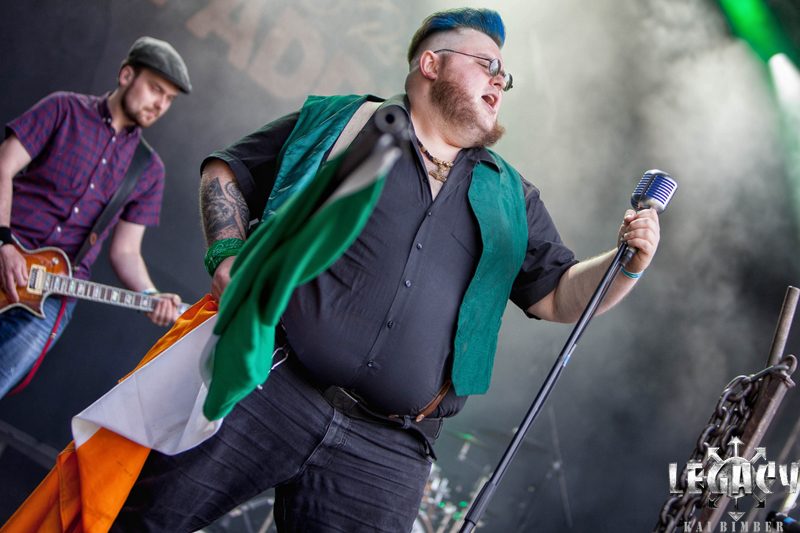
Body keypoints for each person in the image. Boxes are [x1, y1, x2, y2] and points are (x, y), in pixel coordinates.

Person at [112, 8, 660, 532]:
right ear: (431, 64)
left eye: (506, 76)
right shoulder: (347, 122)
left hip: (388, 450)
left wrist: (626, 264)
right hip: (269, 382)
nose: (500, 81)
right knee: (143, 519)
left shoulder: (513, 196)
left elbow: (560, 296)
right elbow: (228, 171)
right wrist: (227, 257)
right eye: (487, 65)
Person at [0, 36, 192, 398]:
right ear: (126, 75)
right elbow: (3, 167)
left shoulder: (149, 170)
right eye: (155, 89)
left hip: (51, 298)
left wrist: (151, 295)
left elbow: (126, 252)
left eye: (169, 99)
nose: (160, 104)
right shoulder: (63, 108)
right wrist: (4, 242)